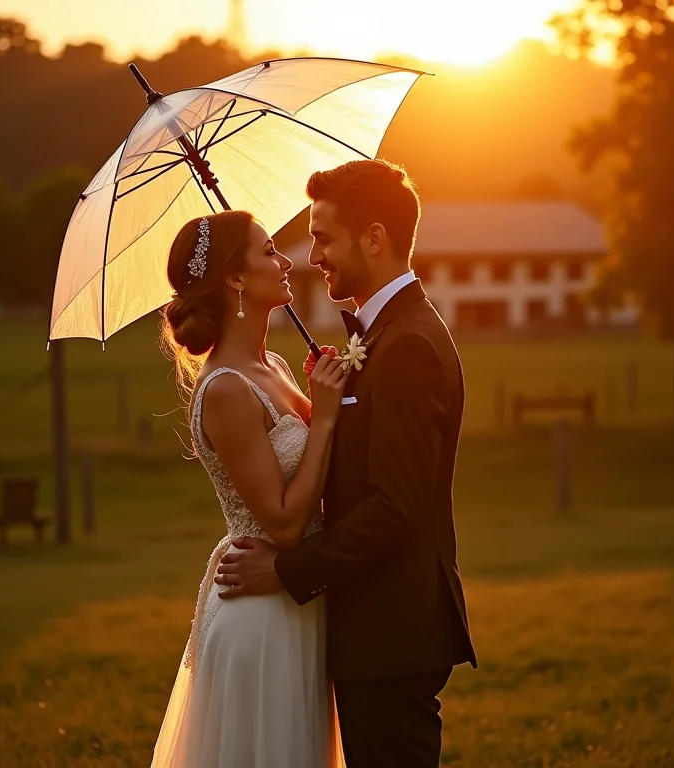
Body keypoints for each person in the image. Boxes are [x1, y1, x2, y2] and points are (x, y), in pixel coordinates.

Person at [215, 159, 478, 768]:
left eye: (324, 237)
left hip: (393, 630)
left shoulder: (406, 344)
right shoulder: (385, 334)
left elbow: (396, 508)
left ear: (376, 238)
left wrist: (287, 570)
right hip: (377, 628)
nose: (315, 254)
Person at [150, 209, 347, 767]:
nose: (286, 262)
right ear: (235, 279)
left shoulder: (278, 367)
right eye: (268, 252)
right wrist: (325, 418)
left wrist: (321, 395)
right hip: (262, 617)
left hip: (302, 602)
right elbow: (284, 523)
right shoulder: (227, 390)